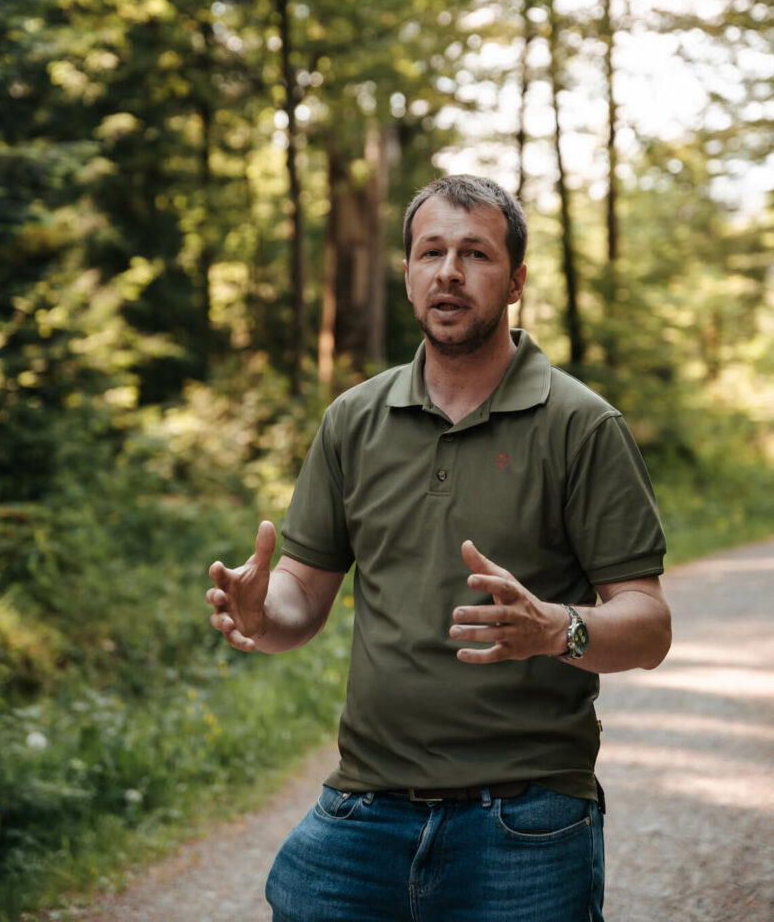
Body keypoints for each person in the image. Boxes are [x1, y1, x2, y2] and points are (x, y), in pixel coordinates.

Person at [206, 174, 671, 922]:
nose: (448, 272)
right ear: (408, 275)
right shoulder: (353, 420)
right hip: (362, 810)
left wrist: (557, 628)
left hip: (525, 821)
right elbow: (303, 597)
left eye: (474, 254)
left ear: (514, 281)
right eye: (430, 252)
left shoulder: (581, 426)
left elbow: (647, 625)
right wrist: (262, 615)